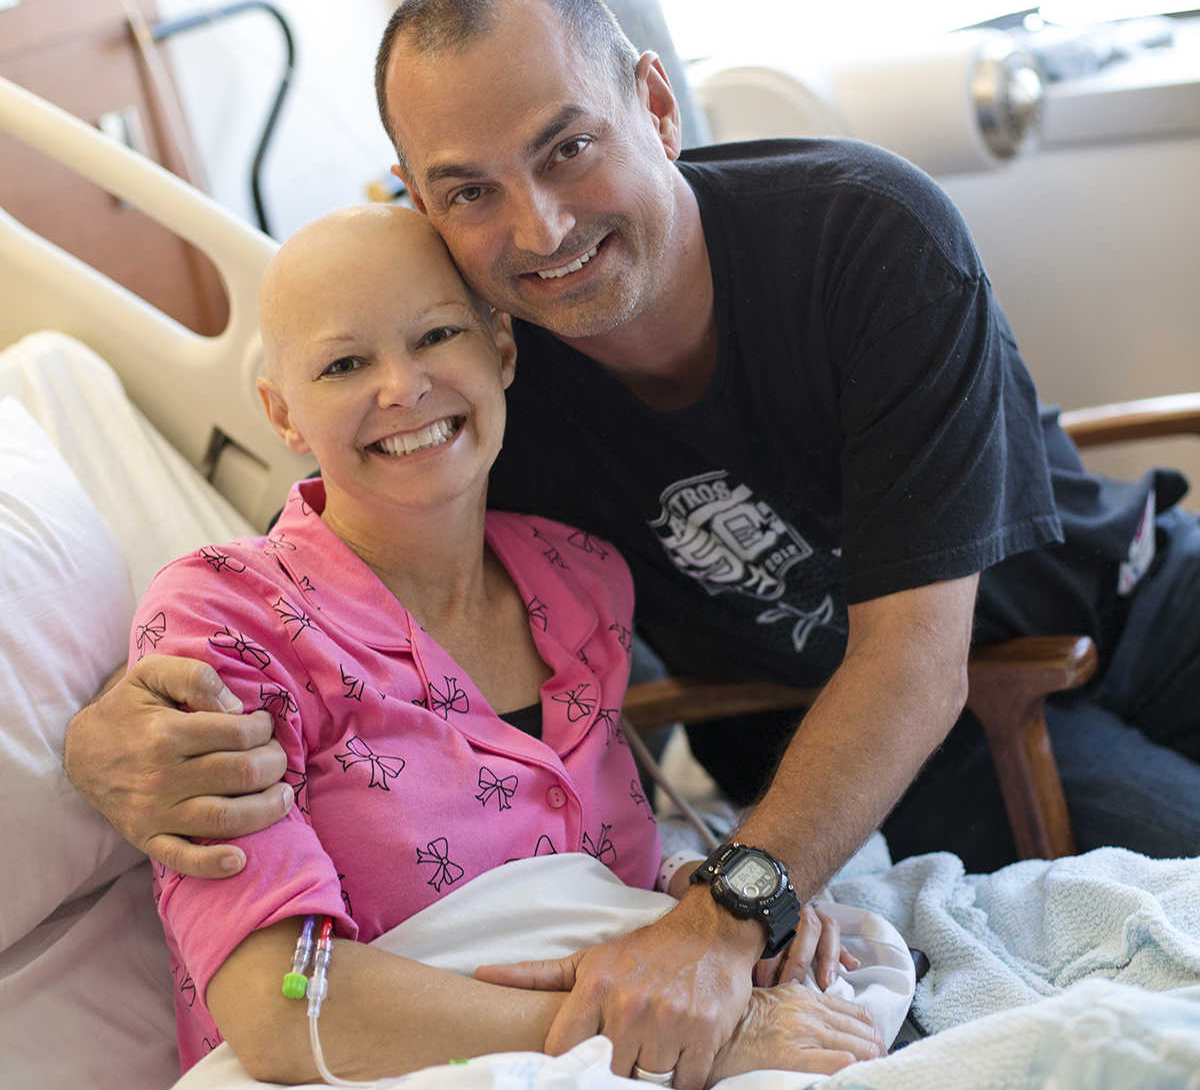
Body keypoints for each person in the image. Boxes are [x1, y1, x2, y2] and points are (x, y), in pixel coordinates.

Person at [64, 0, 1200, 1088]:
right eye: (470, 190)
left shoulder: (860, 236)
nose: (543, 227)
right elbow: (311, 579)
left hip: (1125, 594)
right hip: (897, 742)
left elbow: (916, 655)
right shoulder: (474, 387)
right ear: (420, 202)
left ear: (655, 106)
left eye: (568, 147)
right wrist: (103, 737)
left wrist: (727, 910)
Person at [126, 202, 886, 1083]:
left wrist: (713, 911)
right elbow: (277, 1005)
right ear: (282, 413)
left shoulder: (582, 579)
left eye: (438, 335)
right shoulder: (226, 620)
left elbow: (582, 884)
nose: (402, 388)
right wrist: (683, 1031)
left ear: (503, 348)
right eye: (343, 364)